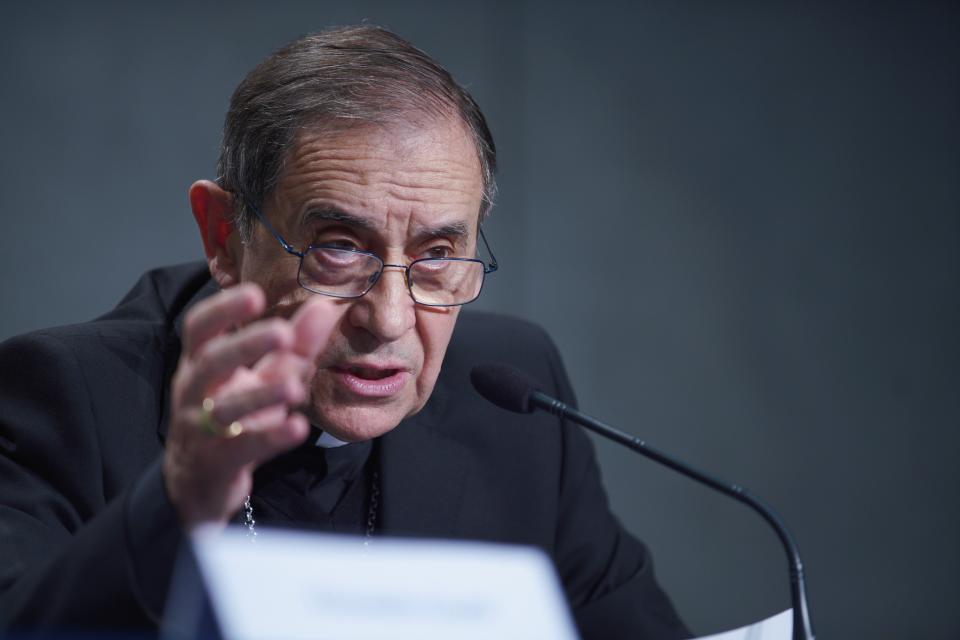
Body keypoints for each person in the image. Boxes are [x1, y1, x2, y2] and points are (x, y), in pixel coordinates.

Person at [0, 25, 689, 639]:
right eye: (338, 248)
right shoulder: (65, 398)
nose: (389, 319)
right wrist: (177, 502)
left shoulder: (515, 401)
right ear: (224, 236)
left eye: (438, 257)